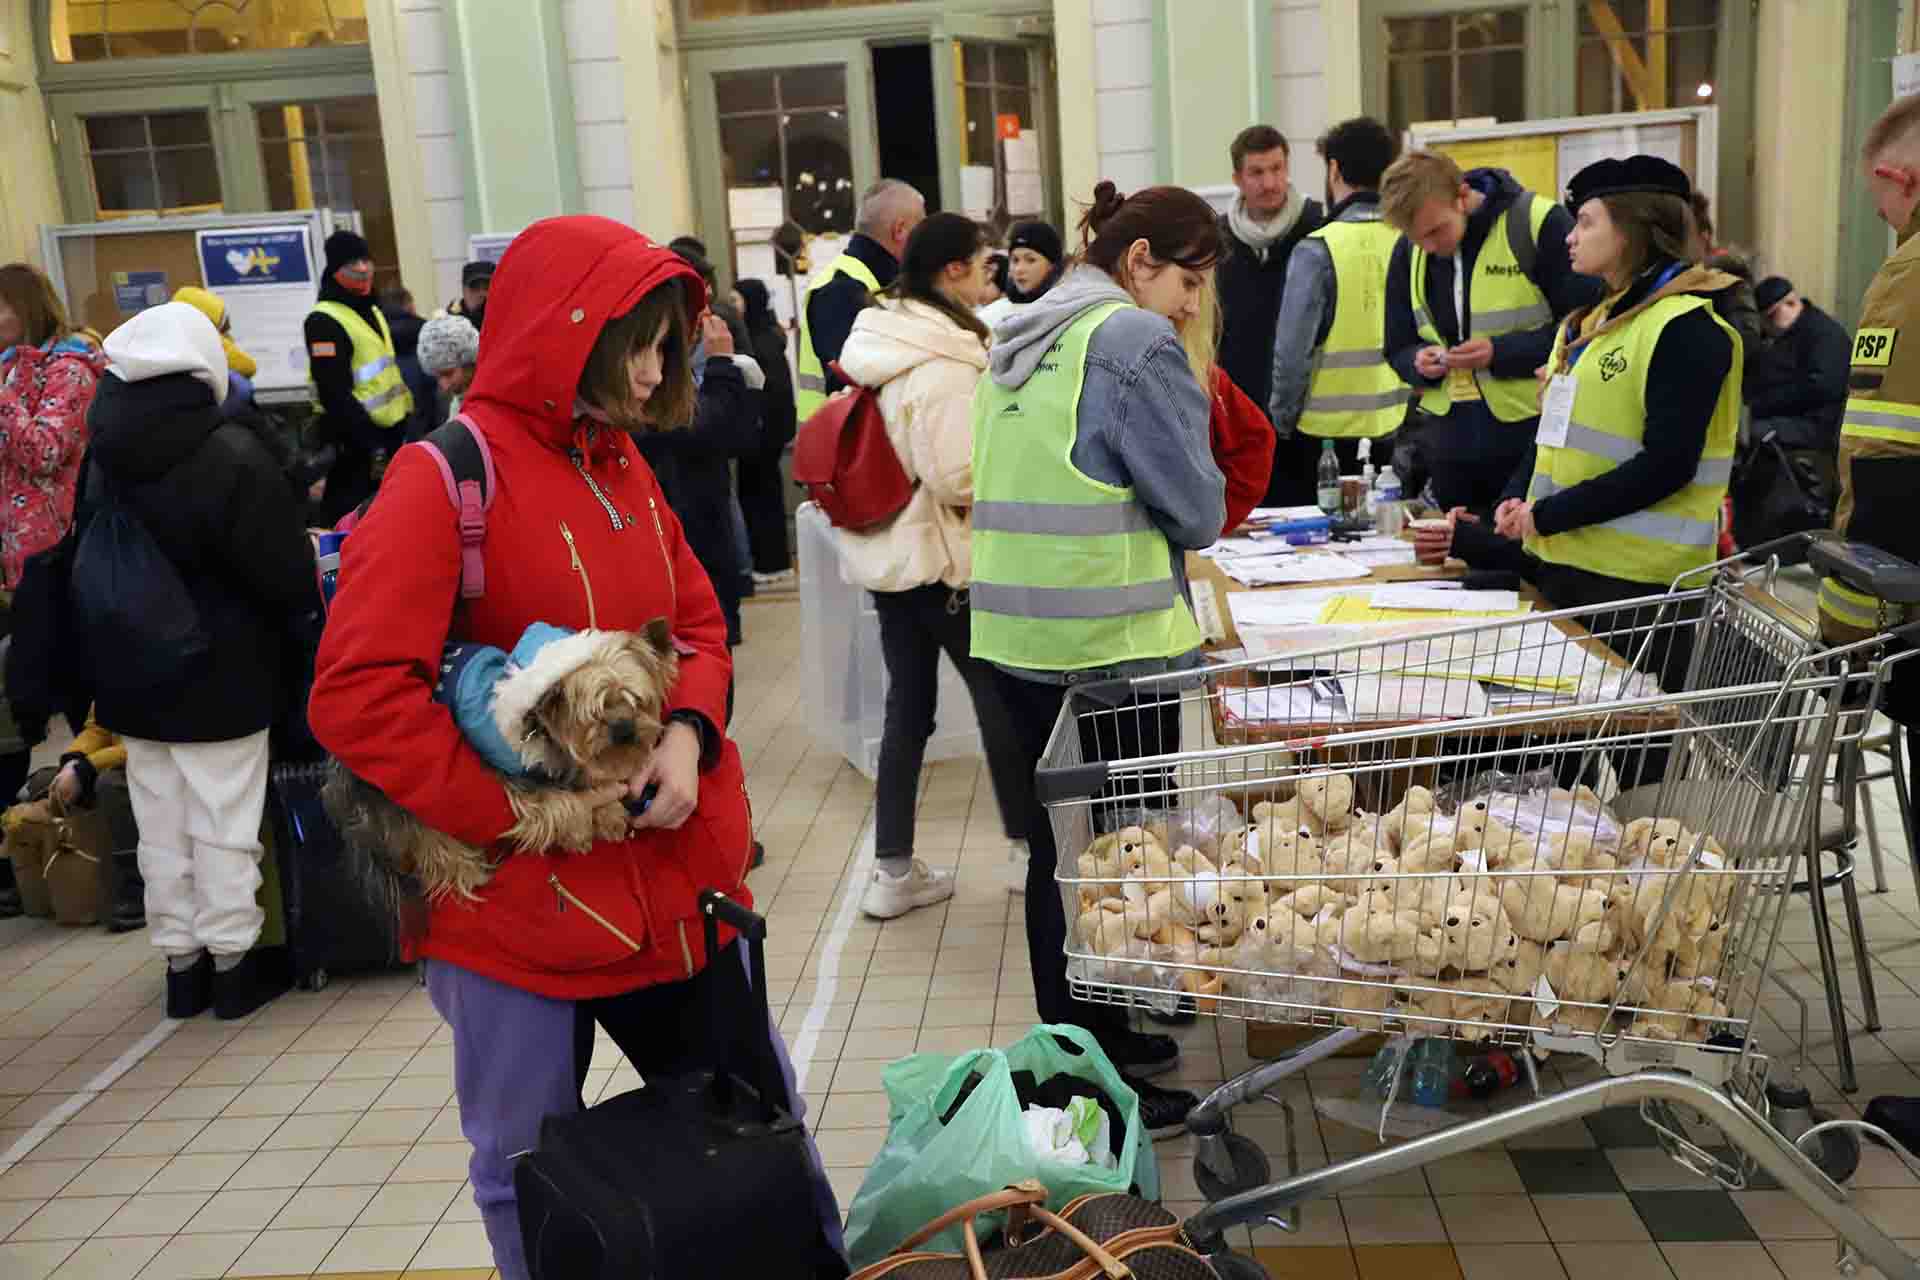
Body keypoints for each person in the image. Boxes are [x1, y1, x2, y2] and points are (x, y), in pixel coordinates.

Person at [307, 216, 845, 1280]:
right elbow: (360, 695)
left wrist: (687, 733)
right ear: (564, 332)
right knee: (533, 1175)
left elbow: (695, 623)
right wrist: (514, 815)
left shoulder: (624, 466)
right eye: (635, 343)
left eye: (666, 345)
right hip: (518, 905)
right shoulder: (442, 478)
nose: (654, 372)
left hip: (675, 884)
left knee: (759, 1129)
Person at [973, 180, 1227, 1133]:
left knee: (1063, 860)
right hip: (1110, 648)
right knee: (1117, 860)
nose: (1193, 306)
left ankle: (1092, 1041)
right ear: (1139, 261)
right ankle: (1091, 1079)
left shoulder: (1020, 338)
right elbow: (1197, 508)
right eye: (1189, 281)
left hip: (1016, 640)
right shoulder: (1130, 342)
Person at [79, 301, 317, 1017]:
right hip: (222, 673)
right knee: (224, 823)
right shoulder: (230, 452)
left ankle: (182, 971)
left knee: (161, 825)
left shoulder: (104, 454)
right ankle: (235, 969)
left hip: (130, 673)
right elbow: (284, 578)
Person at [832, 213, 1033, 916]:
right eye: (983, 265)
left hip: (893, 559)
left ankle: (892, 872)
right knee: (1000, 704)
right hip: (944, 565)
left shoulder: (884, 337)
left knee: (907, 713)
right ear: (950, 271)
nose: (993, 276)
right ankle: (1026, 852)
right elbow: (958, 476)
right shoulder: (942, 363)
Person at [1481, 157, 1740, 696]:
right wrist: (1515, 497)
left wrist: (1546, 515)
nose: (1571, 238)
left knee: (1636, 759)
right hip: (1564, 568)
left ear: (1631, 230)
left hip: (1643, 591)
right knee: (1564, 758)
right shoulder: (1586, 327)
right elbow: (1551, 433)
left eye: (1587, 222)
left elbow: (1667, 465)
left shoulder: (1685, 327)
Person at [1379, 150, 1602, 518]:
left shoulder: (1536, 223)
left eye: (1436, 231)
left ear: (1462, 196)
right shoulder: (1411, 248)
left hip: (1530, 437)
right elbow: (1397, 344)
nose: (1430, 247)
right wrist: (1417, 362)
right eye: (1419, 238)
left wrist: (1499, 352)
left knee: (1520, 563)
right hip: (1449, 444)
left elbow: (1588, 329)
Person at [0, 261, 104, 917]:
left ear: (26, 307)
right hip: (12, 564)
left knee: (61, 699)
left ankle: (86, 848)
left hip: (52, 559)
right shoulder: (11, 368)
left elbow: (43, 449)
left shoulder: (68, 368)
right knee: (19, 707)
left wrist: (4, 397)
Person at [1266, 118, 1409, 502]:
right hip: (1396, 433)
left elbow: (1292, 352)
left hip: (1322, 440)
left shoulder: (1318, 249)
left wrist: (1280, 422)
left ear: (1334, 169)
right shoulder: (1411, 241)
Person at [1216, 124, 1324, 491]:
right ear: (1237, 178)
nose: (1270, 182)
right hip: (1239, 422)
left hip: (1308, 421)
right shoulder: (1218, 241)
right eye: (1257, 172)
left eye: (1277, 168)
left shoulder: (1317, 228)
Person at [306, 230, 414, 523]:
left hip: (390, 438)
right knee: (349, 525)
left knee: (388, 524)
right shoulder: (324, 320)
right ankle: (334, 571)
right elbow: (334, 394)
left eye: (366, 259)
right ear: (335, 268)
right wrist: (371, 444)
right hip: (356, 447)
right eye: (353, 261)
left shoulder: (371, 309)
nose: (364, 268)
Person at [796, 179, 925, 413]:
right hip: (843, 444)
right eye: (921, 229)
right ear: (900, 230)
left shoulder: (879, 281)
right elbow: (853, 382)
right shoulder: (841, 289)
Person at [53, 706, 142, 932]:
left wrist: (88, 766)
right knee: (44, 783)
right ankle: (80, 889)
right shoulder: (112, 671)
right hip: (120, 759)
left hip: (159, 759)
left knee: (110, 785)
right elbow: (98, 727)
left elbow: (151, 739)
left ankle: (136, 888)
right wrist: (73, 760)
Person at [735, 278, 797, 586]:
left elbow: (767, 391)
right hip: (771, 432)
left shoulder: (759, 341)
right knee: (766, 493)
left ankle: (769, 562)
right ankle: (774, 561)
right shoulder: (770, 335)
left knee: (760, 496)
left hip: (762, 434)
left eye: (738, 300)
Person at [1746, 276, 1850, 454]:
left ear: (1791, 303)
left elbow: (1820, 388)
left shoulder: (1823, 335)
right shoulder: (1796, 331)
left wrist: (1761, 404)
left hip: (1817, 425)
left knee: (1749, 433)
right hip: (1798, 419)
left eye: (1771, 318)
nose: (1766, 328)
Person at [979, 219, 1066, 330]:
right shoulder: (989, 317)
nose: (1019, 269)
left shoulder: (1067, 311)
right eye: (1015, 260)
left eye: (1030, 260)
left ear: (1052, 265)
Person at [417, 312, 480, 419]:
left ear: (469, 361)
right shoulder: (458, 401)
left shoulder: (497, 400)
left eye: (448, 374)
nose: (444, 386)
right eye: (437, 376)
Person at [445, 259, 492, 330]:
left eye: (487, 287)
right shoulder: (451, 318)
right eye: (475, 287)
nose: (482, 293)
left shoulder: (503, 316)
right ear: (464, 289)